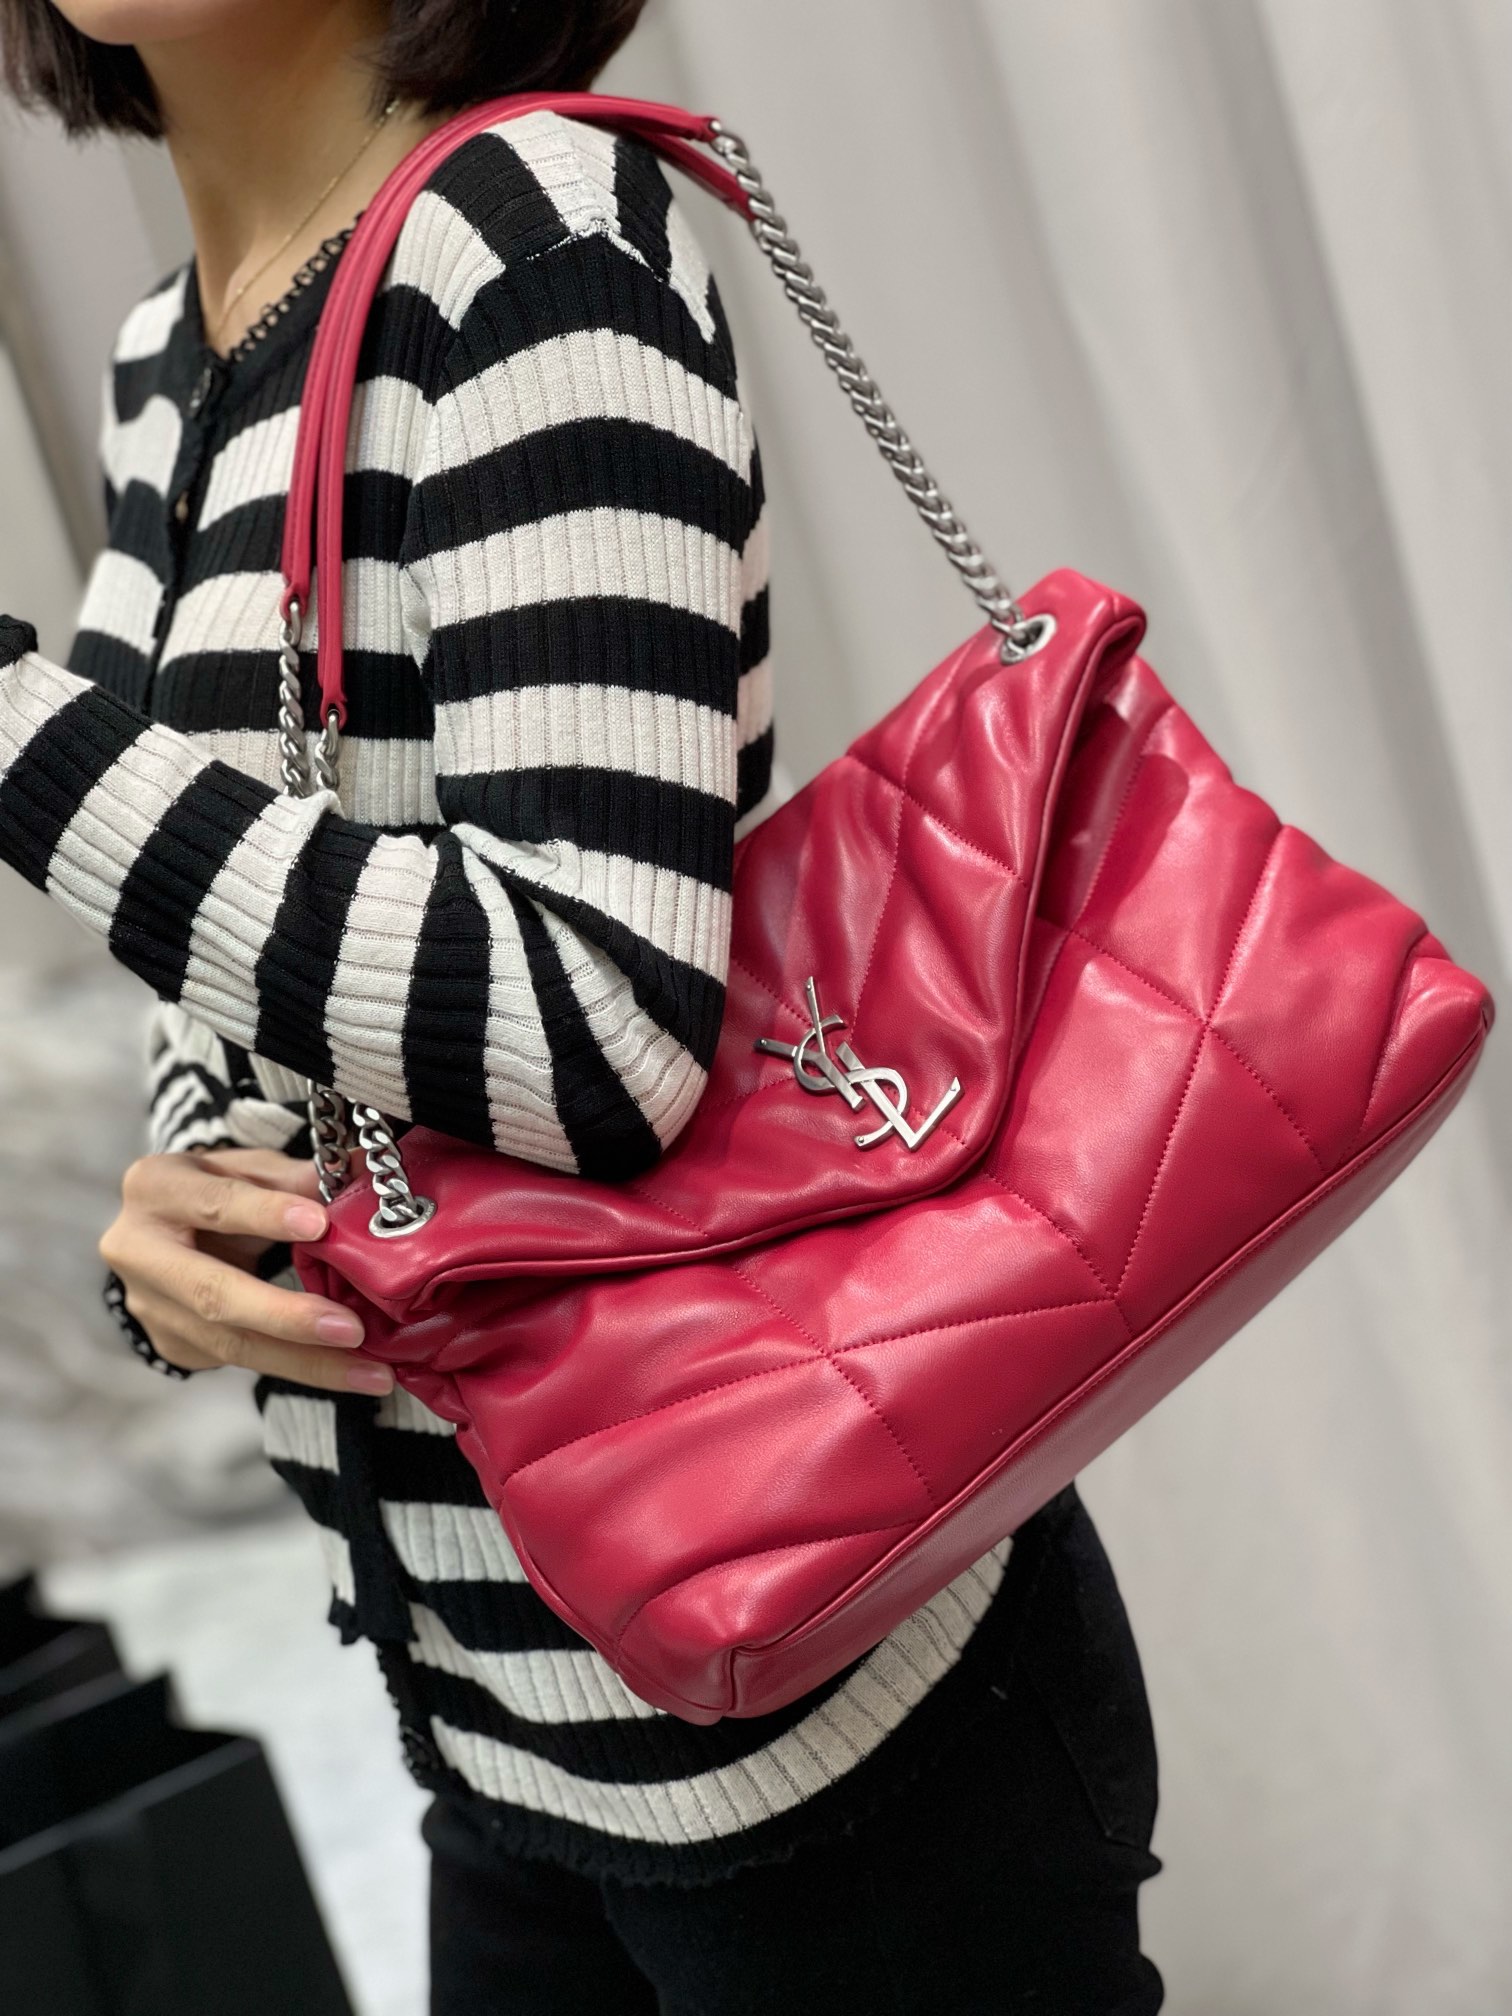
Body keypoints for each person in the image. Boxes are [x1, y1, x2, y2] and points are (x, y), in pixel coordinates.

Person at [0, 2, 1166, 2008]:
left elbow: (592, 1031)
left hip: (812, 1738)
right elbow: (243, 941)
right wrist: (191, 1215)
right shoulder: (163, 363)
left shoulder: (525, 243)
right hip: (500, 1714)